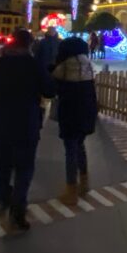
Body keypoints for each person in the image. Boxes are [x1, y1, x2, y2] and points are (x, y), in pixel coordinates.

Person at [0, 29, 43, 230]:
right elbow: (49, 89)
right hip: (26, 125)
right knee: (24, 169)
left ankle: (3, 199)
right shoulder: (33, 65)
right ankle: (18, 209)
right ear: (29, 45)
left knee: (2, 166)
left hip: (0, 124)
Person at [52, 36, 99, 206]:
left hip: (70, 111)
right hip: (86, 112)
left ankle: (71, 190)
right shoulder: (88, 65)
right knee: (80, 146)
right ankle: (85, 183)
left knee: (70, 150)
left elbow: (53, 88)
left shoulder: (63, 67)